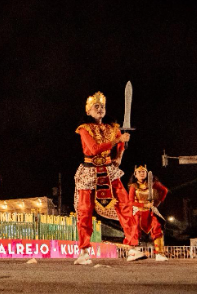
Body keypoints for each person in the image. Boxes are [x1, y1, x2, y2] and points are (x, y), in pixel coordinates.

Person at [73, 91, 145, 265]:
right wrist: (116, 141)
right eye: (96, 107)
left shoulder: (112, 127)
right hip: (89, 170)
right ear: (88, 110)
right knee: (85, 211)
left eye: (102, 106)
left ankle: (133, 247)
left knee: (125, 206)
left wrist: (119, 155)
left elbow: (120, 143)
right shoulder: (84, 129)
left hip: (108, 169)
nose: (100, 109)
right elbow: (94, 149)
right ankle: (83, 251)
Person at [128, 165, 169, 261]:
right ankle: (132, 251)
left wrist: (157, 203)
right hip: (138, 210)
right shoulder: (133, 186)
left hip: (151, 210)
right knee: (134, 229)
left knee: (157, 227)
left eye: (143, 172)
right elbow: (130, 202)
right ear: (135, 175)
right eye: (139, 172)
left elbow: (164, 190)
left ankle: (160, 253)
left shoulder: (153, 184)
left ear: (147, 174)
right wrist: (143, 206)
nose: (142, 174)